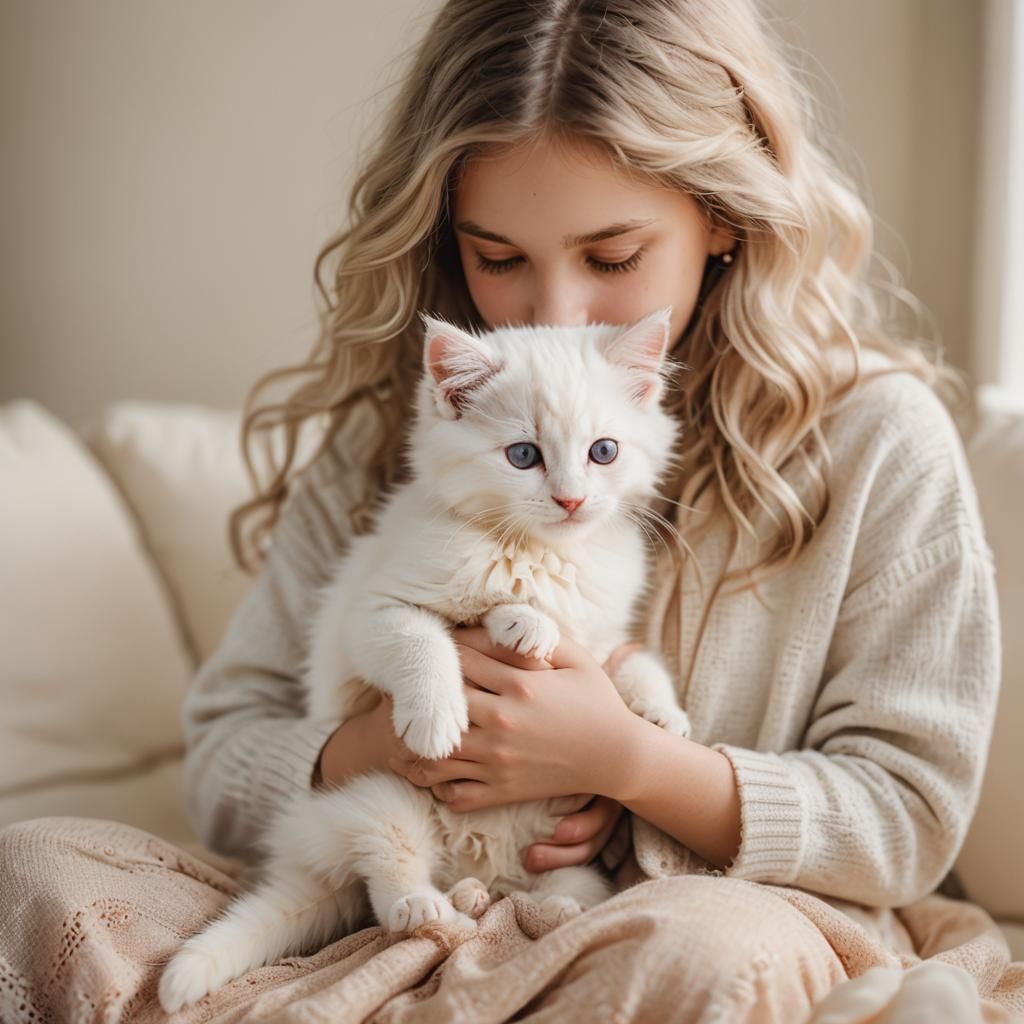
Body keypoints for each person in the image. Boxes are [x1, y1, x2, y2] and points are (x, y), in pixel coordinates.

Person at [2, 1, 1021, 1021]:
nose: (553, 316)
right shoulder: (411, 434)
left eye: (612, 259)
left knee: (699, 955)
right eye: (498, 258)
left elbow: (908, 819)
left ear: (722, 214)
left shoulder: (877, 440)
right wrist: (382, 746)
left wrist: (629, 762)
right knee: (35, 871)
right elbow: (225, 754)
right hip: (393, 881)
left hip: (695, 915)